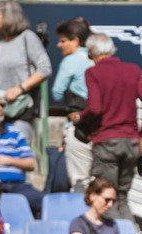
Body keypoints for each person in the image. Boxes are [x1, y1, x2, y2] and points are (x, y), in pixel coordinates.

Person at [76, 33, 142, 224]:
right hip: (131, 142)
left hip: (107, 141)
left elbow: (95, 108)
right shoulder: (133, 70)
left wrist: (79, 117)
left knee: (106, 198)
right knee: (122, 197)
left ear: (93, 52)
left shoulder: (93, 72)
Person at [0, 0, 52, 153]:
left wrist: (20, 88)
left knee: (17, 156)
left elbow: (45, 68)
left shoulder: (27, 38)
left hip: (21, 111)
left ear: (7, 16)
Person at [51, 17, 94, 193]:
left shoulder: (71, 60)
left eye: (63, 41)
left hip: (79, 130)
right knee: (96, 185)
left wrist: (71, 96)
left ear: (75, 41)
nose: (59, 45)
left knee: (79, 185)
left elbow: (57, 92)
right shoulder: (95, 58)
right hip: (101, 132)